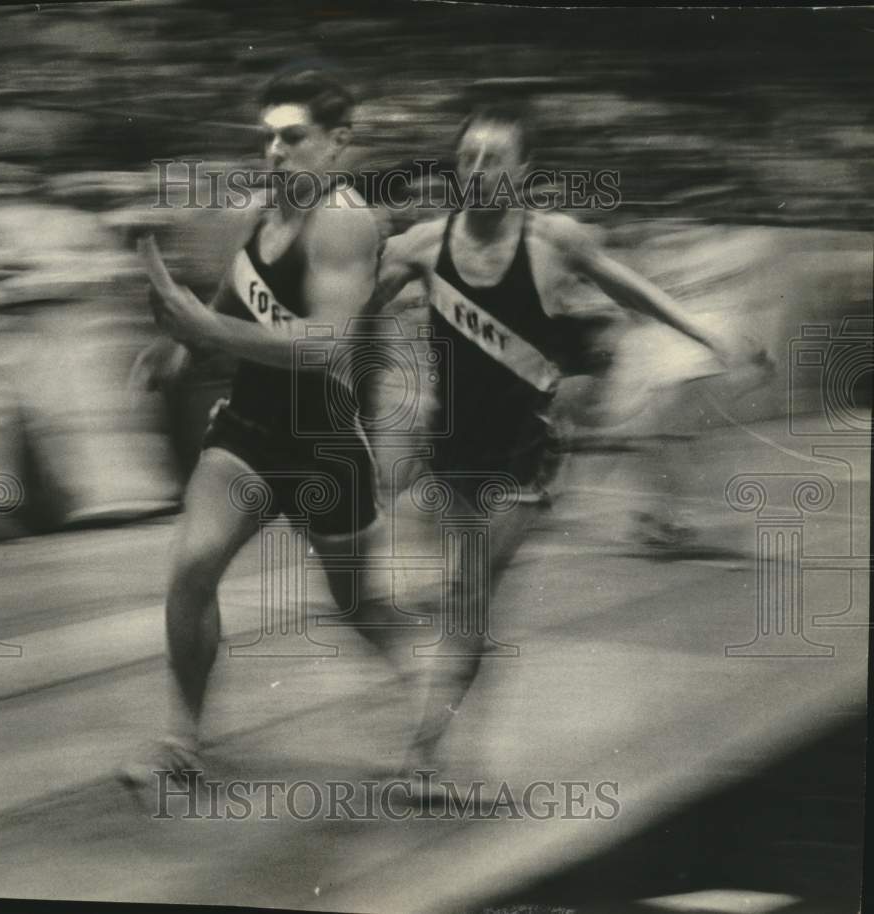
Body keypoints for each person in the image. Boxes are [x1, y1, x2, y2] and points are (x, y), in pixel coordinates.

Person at [370, 103, 762, 773]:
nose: (479, 170)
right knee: (470, 604)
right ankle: (446, 739)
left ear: (524, 170)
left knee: (468, 599)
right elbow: (341, 314)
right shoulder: (420, 247)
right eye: (468, 158)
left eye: (495, 158)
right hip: (453, 454)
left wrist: (707, 333)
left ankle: (424, 753)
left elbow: (636, 292)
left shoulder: (557, 242)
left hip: (530, 458)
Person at [121, 67, 393, 789]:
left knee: (358, 609)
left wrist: (203, 327)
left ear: (337, 143)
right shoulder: (261, 210)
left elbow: (324, 343)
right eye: (268, 137)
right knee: (190, 570)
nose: (275, 151)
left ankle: (425, 694)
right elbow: (238, 289)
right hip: (246, 430)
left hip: (325, 443)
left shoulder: (345, 221)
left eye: (292, 136)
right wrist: (183, 345)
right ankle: (182, 739)